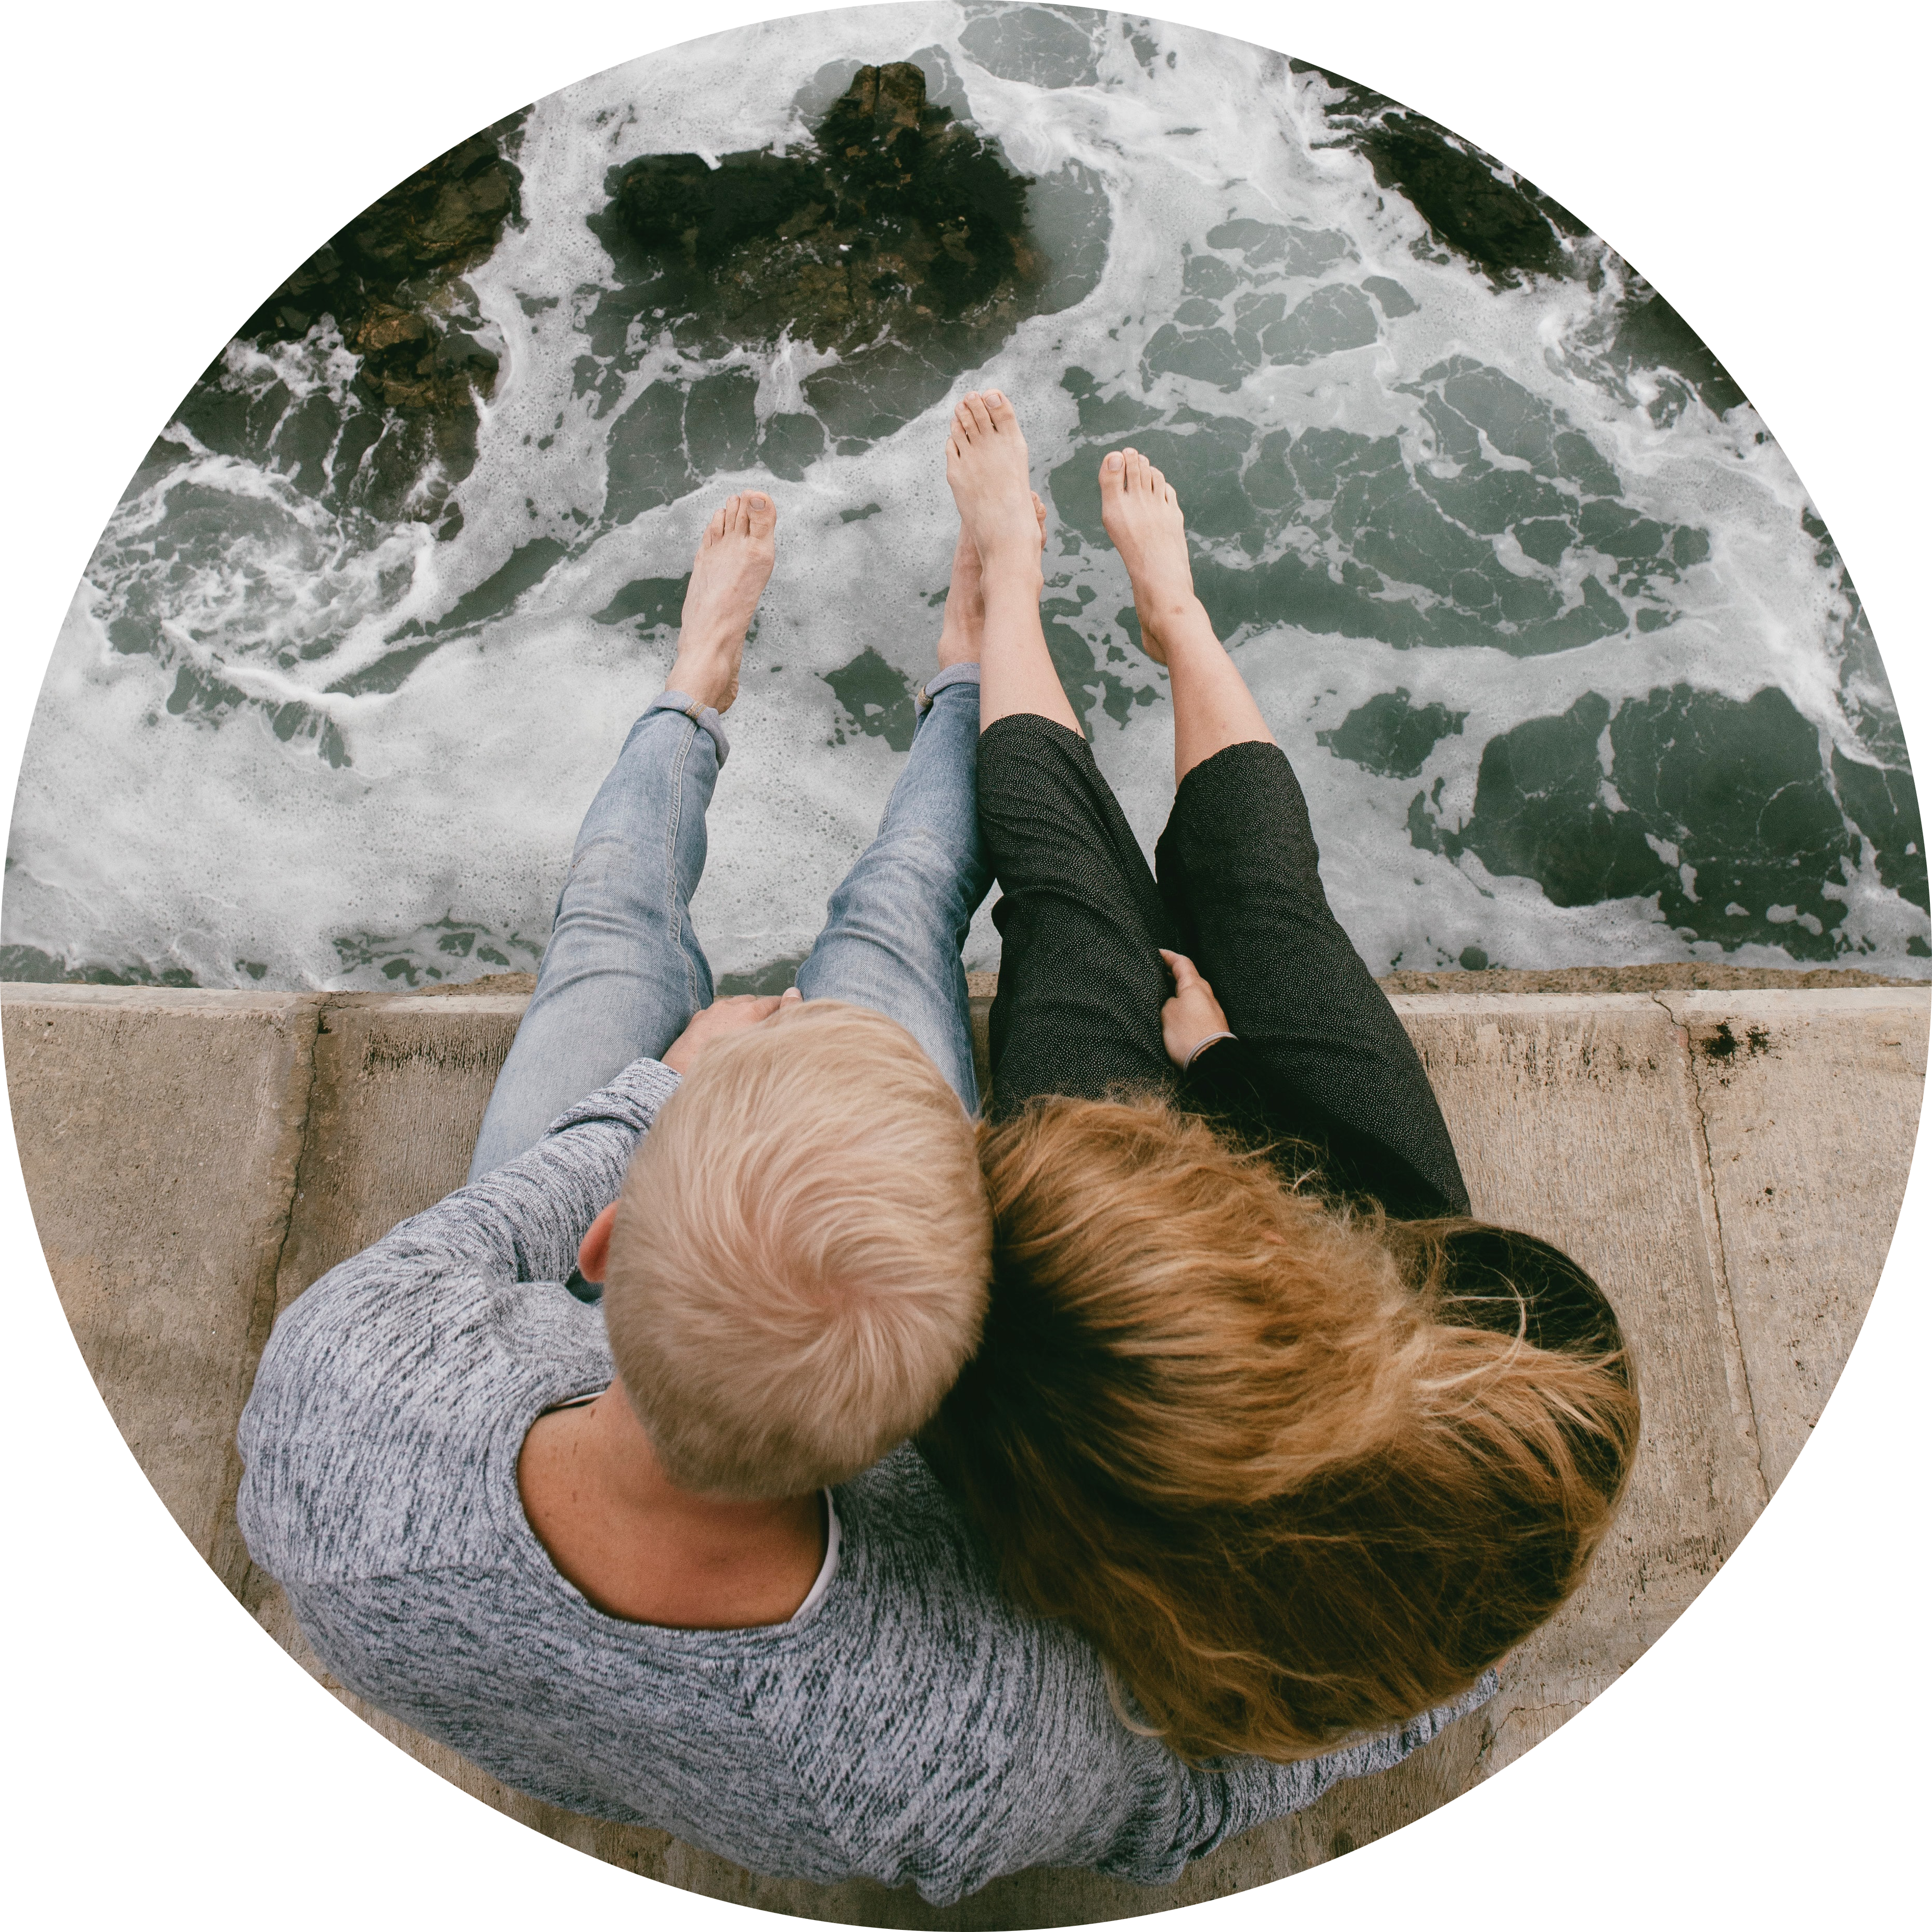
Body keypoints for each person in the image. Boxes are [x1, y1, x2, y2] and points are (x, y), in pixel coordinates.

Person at [236, 483, 1485, 1907]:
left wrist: (658, 1099)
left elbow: (473, 1242)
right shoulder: (976, 1721)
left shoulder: (335, 1391)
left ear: (606, 1235)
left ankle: (704, 683)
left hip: (607, 1308)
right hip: (748, 1347)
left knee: (608, 951)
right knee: (894, 912)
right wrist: (1454, 1667)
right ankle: (960, 665)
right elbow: (1202, 1785)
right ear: (944, 1406)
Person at [922, 391, 1639, 1763]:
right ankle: (1175, 619)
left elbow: (980, 1411)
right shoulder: (1527, 1390)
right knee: (1266, 907)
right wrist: (1228, 1070)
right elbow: (1385, 1217)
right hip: (1385, 1236)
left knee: (1076, 915)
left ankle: (1011, 577)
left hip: (1138, 1343)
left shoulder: (1062, 1426)